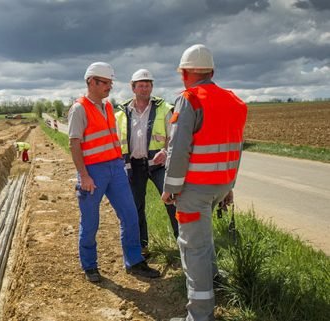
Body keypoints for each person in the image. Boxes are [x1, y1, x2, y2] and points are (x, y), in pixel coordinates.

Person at [161, 44, 247, 321]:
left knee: (193, 248)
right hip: (221, 184)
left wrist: (170, 189)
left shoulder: (190, 99)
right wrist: (229, 186)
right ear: (211, 71)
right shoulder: (234, 101)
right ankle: (214, 283)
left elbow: (178, 149)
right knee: (204, 239)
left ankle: (199, 315)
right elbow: (235, 147)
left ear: (185, 73)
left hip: (194, 189)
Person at [68, 61, 161, 283]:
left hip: (115, 168)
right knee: (90, 222)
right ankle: (90, 266)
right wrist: (84, 175)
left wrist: (120, 164)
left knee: (130, 215)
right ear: (91, 81)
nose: (109, 87)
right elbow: (74, 143)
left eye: (111, 83)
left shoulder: (108, 106)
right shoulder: (79, 108)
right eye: (105, 83)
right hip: (93, 172)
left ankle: (134, 261)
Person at [115, 69, 179, 257]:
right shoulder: (121, 112)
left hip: (159, 165)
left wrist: (165, 151)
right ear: (132, 87)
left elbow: (173, 135)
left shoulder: (164, 108)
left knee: (172, 202)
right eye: (141, 85)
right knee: (136, 207)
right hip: (133, 165)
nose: (145, 89)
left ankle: (183, 244)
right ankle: (142, 247)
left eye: (148, 85)